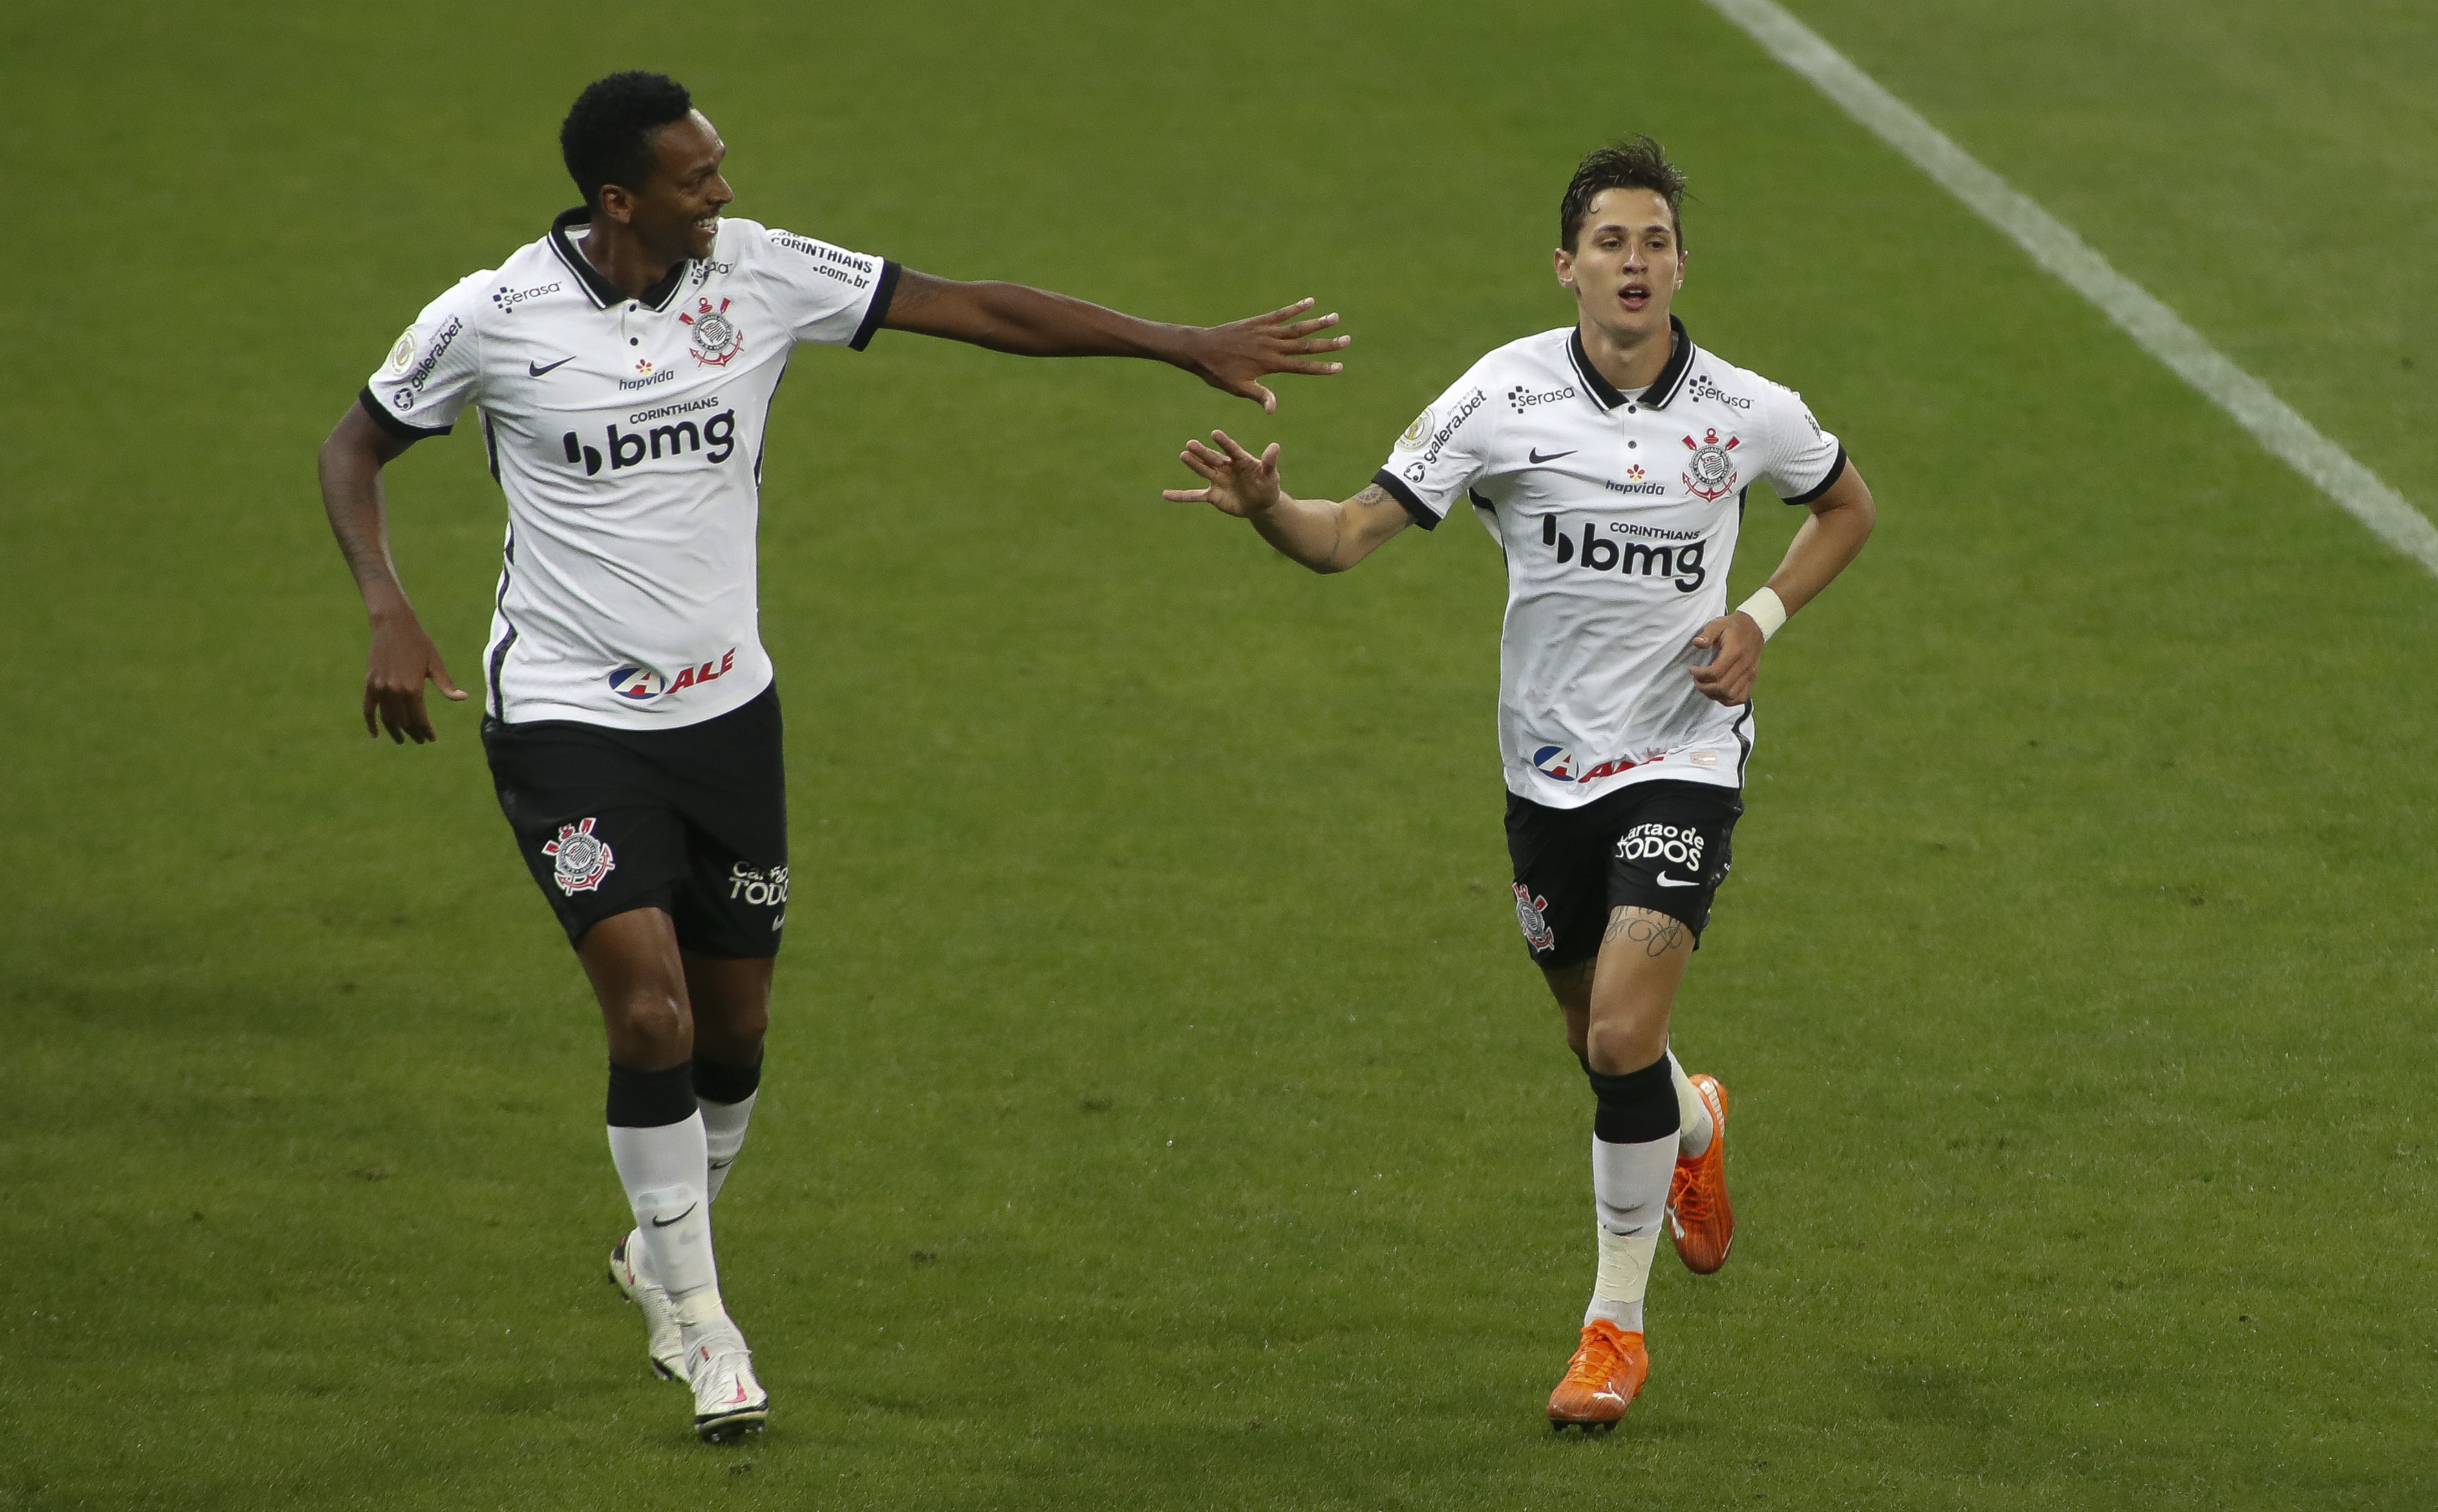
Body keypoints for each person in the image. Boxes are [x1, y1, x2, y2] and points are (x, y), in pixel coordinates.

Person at [315, 69, 1350, 1443]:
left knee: (734, 1031)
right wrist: (388, 603)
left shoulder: (756, 274)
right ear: (619, 199)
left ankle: (657, 1248)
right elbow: (356, 445)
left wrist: (1177, 342)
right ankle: (700, 1326)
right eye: (697, 177)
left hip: (728, 712)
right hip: (566, 714)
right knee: (651, 1016)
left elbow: (973, 308)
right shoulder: (491, 315)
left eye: (719, 166)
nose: (724, 190)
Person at [1162, 136, 1874, 1430]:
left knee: (1616, 1034)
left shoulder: (1744, 411)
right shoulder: (1500, 397)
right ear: (1567, 268)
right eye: (1611, 241)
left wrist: (1761, 614)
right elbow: (1344, 539)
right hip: (1545, 773)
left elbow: (1845, 509)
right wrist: (1271, 505)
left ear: (1679, 264)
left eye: (1655, 240)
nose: (1635, 262)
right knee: (1600, 1046)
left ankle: (1614, 1332)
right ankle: (1693, 1127)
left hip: (1683, 755)